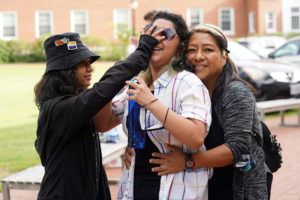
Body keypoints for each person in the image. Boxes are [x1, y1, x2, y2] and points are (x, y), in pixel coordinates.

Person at [34, 30, 163, 200]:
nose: (90, 68)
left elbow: (103, 109)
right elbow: (103, 89)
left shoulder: (71, 106)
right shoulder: (58, 109)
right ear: (63, 70)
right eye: (82, 64)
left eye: (89, 62)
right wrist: (143, 50)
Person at [94, 12, 212, 200]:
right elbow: (103, 123)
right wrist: (113, 80)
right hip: (134, 186)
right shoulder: (137, 83)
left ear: (180, 44)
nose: (157, 38)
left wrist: (150, 102)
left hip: (176, 189)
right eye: (152, 32)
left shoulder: (187, 83)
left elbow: (196, 137)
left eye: (167, 33)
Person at [149, 24, 269, 200]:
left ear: (223, 57)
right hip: (204, 189)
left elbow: (237, 148)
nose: (198, 57)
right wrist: (133, 149)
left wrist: (187, 161)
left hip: (236, 191)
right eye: (191, 50)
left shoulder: (236, 92)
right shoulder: (188, 92)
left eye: (208, 50)